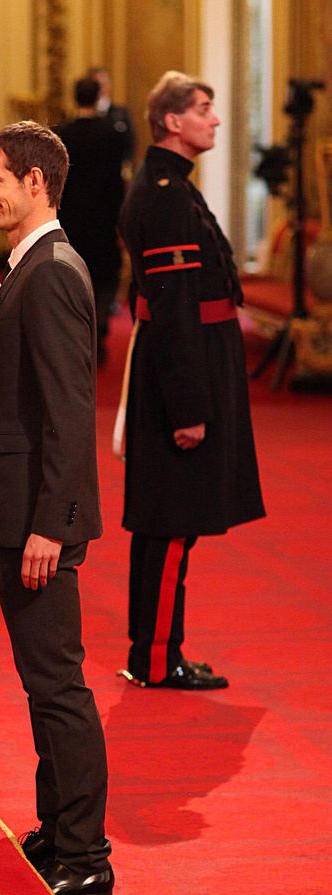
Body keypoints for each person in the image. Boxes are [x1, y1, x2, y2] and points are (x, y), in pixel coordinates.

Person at [0, 121, 113, 895]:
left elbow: (69, 411)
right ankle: (57, 825)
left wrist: (50, 526)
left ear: (36, 184)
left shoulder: (53, 270)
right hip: (19, 512)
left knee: (58, 684)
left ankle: (86, 850)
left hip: (38, 522)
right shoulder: (30, 265)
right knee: (41, 681)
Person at [115, 71, 265, 691]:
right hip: (184, 368)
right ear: (173, 122)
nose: (216, 120)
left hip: (187, 357)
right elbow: (173, 305)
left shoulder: (167, 186)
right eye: (205, 109)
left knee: (169, 522)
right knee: (172, 521)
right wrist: (188, 408)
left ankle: (160, 651)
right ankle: (156, 658)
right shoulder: (167, 195)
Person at [56, 76, 130, 363]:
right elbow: (117, 181)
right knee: (103, 275)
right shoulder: (113, 133)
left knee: (74, 273)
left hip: (72, 217)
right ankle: (99, 330)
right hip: (104, 216)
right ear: (99, 96)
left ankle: (75, 334)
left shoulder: (64, 134)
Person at [87, 65, 135, 162]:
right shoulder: (84, 116)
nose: (101, 89)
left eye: (104, 84)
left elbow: (129, 144)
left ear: (109, 85)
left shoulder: (121, 114)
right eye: (97, 85)